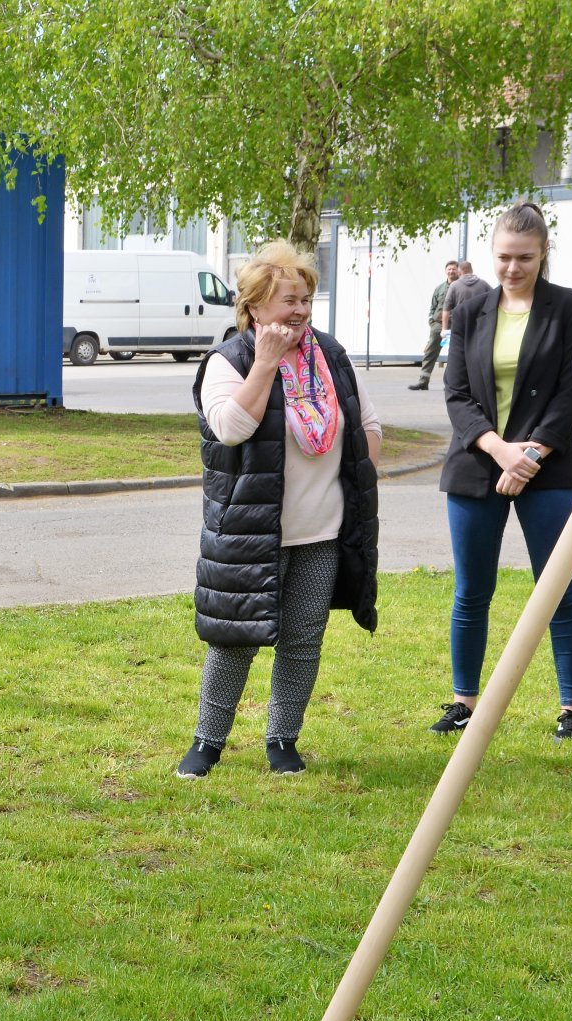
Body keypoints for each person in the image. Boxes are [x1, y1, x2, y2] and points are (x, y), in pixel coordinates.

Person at [177, 240, 382, 780]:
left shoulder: (330, 355)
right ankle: (207, 743)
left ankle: (282, 739)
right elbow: (230, 429)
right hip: (252, 534)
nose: (299, 312)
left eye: (306, 300)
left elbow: (369, 424)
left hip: (321, 531)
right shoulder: (229, 361)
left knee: (302, 639)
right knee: (236, 640)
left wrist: (363, 473)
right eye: (287, 300)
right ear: (254, 307)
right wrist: (265, 364)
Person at [435, 202, 572, 741]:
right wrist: (501, 451)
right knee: (470, 592)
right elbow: (455, 393)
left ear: (543, 253)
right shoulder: (471, 308)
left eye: (524, 257)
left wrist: (531, 457)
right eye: (503, 257)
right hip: (479, 464)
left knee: (557, 590)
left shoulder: (571, 306)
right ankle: (463, 702)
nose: (512, 268)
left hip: (547, 469)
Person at [409, 260, 460, 390]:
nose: (451, 271)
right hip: (438, 326)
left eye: (454, 269)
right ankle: (423, 382)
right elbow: (433, 307)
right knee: (430, 353)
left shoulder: (461, 287)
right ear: (445, 271)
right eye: (449, 269)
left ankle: (452, 385)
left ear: (458, 270)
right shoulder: (440, 288)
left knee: (455, 355)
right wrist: (432, 322)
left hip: (456, 326)